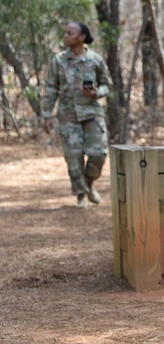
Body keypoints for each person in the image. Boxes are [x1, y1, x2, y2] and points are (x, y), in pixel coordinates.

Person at [41, 21, 112, 208]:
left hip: (92, 112)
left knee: (99, 153)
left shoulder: (95, 59)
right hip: (68, 114)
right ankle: (81, 195)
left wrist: (97, 92)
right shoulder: (58, 60)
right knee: (73, 156)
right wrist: (47, 115)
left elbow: (107, 85)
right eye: (65, 33)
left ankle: (89, 182)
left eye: (70, 33)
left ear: (82, 37)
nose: (66, 36)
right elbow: (51, 88)